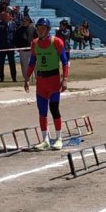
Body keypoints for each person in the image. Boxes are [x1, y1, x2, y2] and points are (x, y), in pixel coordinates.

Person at [24, 18, 69, 151]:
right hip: (41, 82)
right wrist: (26, 78)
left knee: (54, 109)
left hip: (54, 80)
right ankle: (45, 140)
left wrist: (65, 79)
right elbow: (32, 62)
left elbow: (65, 62)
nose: (39, 31)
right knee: (42, 111)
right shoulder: (35, 43)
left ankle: (59, 138)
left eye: (42, 28)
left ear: (48, 29)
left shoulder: (57, 42)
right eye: (38, 28)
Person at [14, 16, 36, 81]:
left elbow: (37, 38)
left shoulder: (33, 28)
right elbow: (16, 39)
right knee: (24, 65)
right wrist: (18, 48)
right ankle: (26, 78)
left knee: (35, 64)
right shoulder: (18, 29)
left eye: (25, 21)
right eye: (23, 21)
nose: (24, 22)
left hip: (32, 50)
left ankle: (38, 77)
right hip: (23, 50)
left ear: (29, 22)